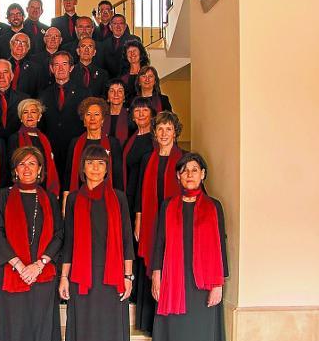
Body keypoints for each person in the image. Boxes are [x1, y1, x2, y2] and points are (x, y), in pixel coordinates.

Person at [59, 144, 134, 341]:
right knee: (83, 328)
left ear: (107, 168)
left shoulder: (119, 198)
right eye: (90, 163)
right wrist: (64, 277)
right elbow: (69, 241)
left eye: (100, 163)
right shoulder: (74, 199)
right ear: (82, 167)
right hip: (82, 275)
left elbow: (127, 240)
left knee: (111, 329)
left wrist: (128, 276)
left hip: (113, 274)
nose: (95, 167)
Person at [151, 153, 228, 341]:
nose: (189, 174)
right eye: (184, 171)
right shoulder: (168, 206)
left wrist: (218, 284)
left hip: (203, 283)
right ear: (178, 176)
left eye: (194, 170)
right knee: (176, 330)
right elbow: (159, 241)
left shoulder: (214, 206)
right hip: (174, 277)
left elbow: (221, 247)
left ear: (203, 174)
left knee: (201, 330)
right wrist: (156, 274)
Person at [0, 146, 63, 341]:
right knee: (14, 328)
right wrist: (21, 267)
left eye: (32, 164)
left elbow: (59, 235)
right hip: (13, 273)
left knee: (41, 328)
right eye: (21, 164)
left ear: (40, 169)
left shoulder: (49, 199)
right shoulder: (2, 197)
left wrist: (39, 265)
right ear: (15, 170)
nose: (27, 169)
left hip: (43, 275)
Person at [133, 111, 184, 334]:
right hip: (152, 222)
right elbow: (138, 192)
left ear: (175, 133)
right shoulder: (147, 158)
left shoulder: (184, 159)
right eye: (160, 129)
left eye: (168, 129)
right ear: (154, 132)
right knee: (151, 262)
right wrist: (138, 218)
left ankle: (169, 321)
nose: (164, 133)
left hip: (175, 222)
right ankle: (148, 323)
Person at [38, 51, 89, 182]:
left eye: (64, 64)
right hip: (51, 151)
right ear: (51, 68)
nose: (60, 68)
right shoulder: (43, 94)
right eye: (56, 64)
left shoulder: (84, 93)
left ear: (71, 68)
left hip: (76, 150)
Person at [64, 97, 124, 200]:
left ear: (102, 119)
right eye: (88, 114)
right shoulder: (75, 143)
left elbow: (118, 176)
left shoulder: (113, 143)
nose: (92, 118)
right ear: (84, 120)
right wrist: (65, 202)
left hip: (106, 198)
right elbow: (68, 174)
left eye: (96, 114)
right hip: (80, 196)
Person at [7, 99, 61, 196]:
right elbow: (12, 166)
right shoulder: (14, 138)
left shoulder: (45, 139)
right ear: (21, 117)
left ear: (39, 116)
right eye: (25, 112)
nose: (29, 116)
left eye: (33, 112)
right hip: (22, 188)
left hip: (44, 187)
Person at [6, 32, 42, 98]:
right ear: (11, 45)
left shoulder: (36, 69)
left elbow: (38, 93)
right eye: (17, 42)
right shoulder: (2, 64)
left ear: (28, 48)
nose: (20, 45)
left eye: (24, 43)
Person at [120, 41, 151, 105]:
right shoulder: (123, 77)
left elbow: (155, 93)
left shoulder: (149, 73)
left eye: (134, 51)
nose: (132, 54)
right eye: (129, 52)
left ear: (140, 53)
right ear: (126, 56)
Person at [102, 79, 131, 145]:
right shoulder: (101, 116)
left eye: (120, 91)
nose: (116, 94)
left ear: (124, 96)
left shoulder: (131, 117)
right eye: (112, 91)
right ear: (107, 97)